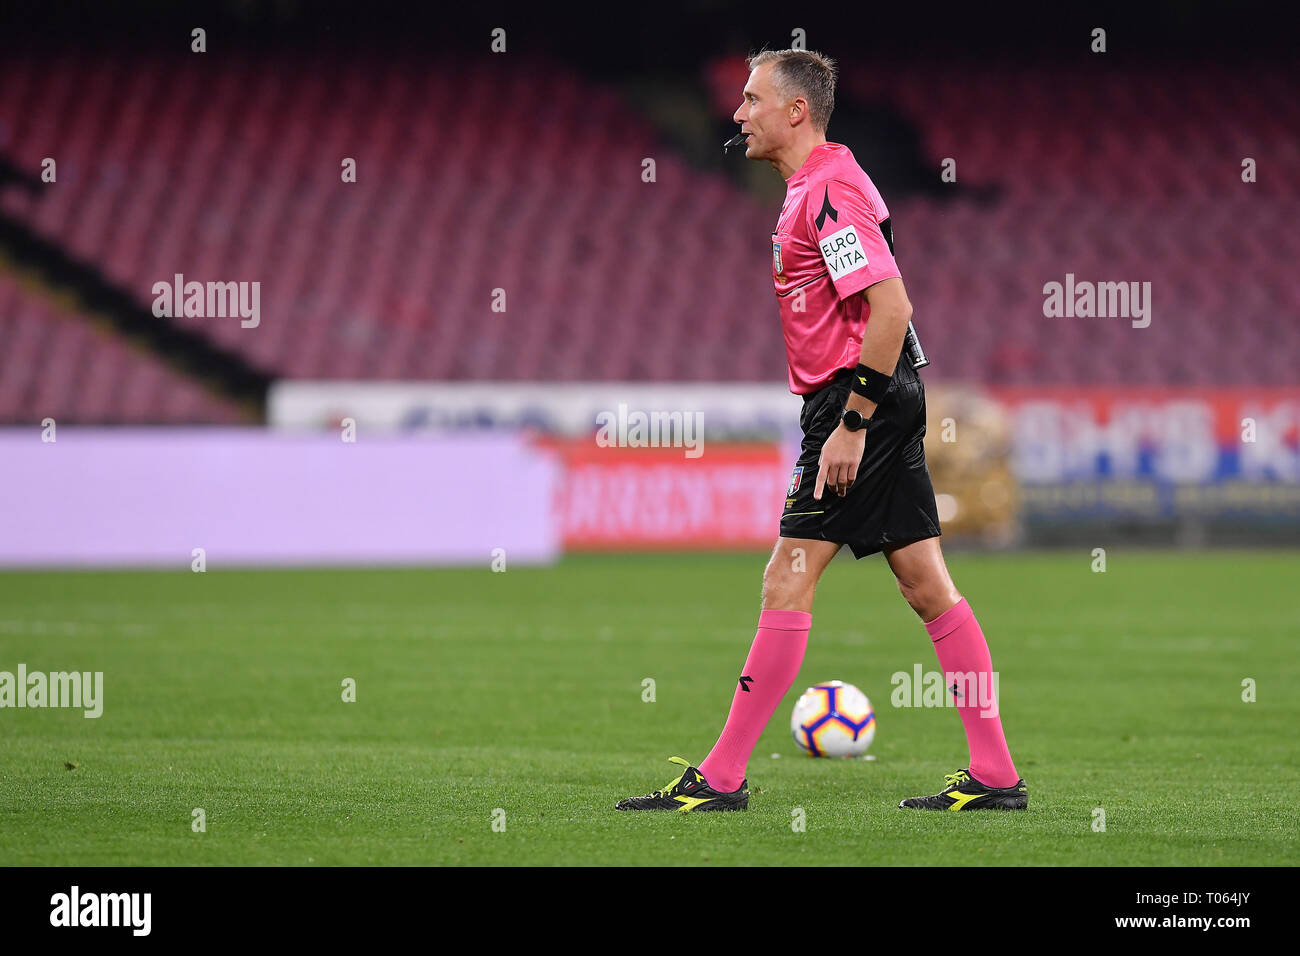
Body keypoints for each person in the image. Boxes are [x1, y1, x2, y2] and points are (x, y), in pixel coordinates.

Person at [616, 49, 1026, 813]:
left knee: (788, 575)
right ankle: (997, 775)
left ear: (796, 110)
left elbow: (891, 309)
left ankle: (723, 778)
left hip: (855, 403)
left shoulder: (830, 190)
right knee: (927, 585)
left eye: (751, 99)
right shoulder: (815, 185)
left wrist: (851, 424)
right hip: (876, 397)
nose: (738, 113)